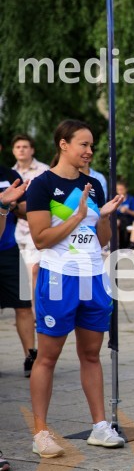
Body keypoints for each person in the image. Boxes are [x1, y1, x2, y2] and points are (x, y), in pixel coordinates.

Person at [26, 119, 127, 458]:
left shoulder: (94, 184)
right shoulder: (42, 186)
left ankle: (99, 426)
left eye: (92, 145)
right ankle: (40, 431)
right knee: (48, 357)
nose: (89, 151)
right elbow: (41, 239)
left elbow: (102, 240)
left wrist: (102, 219)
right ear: (63, 145)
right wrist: (77, 216)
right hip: (58, 280)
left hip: (93, 277)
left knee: (90, 354)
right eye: (83, 144)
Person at [0, 157, 37, 379]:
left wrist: (13, 205)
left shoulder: (9, 176)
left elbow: (25, 212)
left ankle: (30, 356)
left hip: (8, 249)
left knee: (23, 304)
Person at [11, 135, 49, 293]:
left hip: (37, 228)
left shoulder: (44, 171)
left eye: (25, 146)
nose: (21, 150)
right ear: (13, 151)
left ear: (32, 150)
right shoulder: (10, 173)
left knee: (33, 270)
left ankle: (34, 312)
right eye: (18, 147)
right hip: (17, 229)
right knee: (22, 274)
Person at [116, 179, 134, 249]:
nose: (120, 192)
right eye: (118, 189)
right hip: (119, 219)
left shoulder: (131, 199)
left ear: (126, 189)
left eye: (122, 189)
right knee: (116, 222)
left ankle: (131, 246)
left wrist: (127, 211)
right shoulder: (115, 199)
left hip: (129, 219)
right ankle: (116, 245)